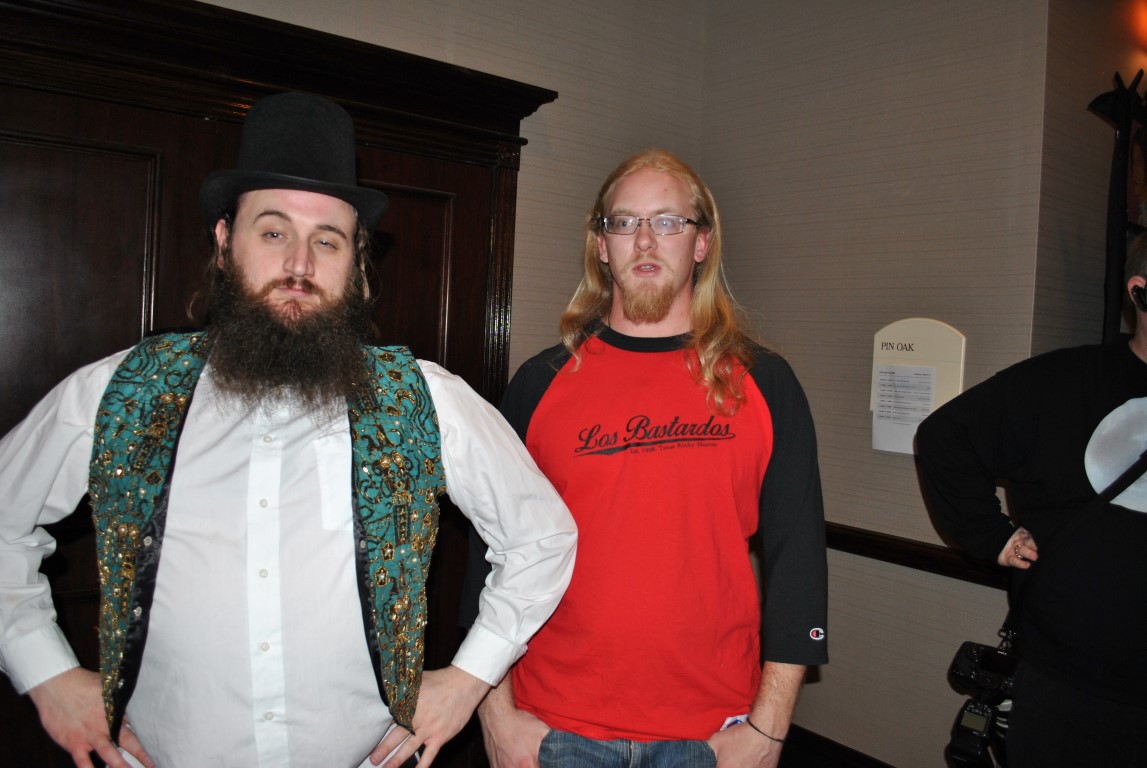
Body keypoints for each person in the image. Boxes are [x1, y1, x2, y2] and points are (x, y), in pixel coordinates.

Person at [0, 92, 577, 768]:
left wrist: (468, 679)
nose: (300, 265)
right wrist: (47, 675)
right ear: (224, 242)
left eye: (326, 240)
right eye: (273, 232)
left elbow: (541, 537)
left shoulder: (425, 399)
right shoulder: (119, 392)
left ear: (356, 265)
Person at [463, 148, 828, 768]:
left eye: (667, 221)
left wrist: (769, 730)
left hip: (713, 735)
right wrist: (495, 714)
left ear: (702, 242)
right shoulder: (540, 383)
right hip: (553, 728)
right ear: (601, 246)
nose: (645, 241)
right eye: (624, 222)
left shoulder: (765, 383)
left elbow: (799, 562)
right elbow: (487, 551)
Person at [916, 237, 1147, 766]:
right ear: (1140, 293)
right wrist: (991, 534)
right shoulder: (1064, 382)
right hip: (1070, 686)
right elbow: (946, 438)